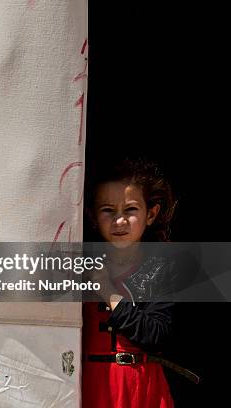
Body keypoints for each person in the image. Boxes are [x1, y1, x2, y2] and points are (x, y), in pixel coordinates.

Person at [81, 158, 199, 408]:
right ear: (92, 215)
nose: (119, 221)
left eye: (131, 210)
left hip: (141, 388)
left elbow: (155, 334)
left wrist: (107, 290)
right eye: (108, 210)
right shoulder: (79, 265)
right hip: (89, 386)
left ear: (151, 214)